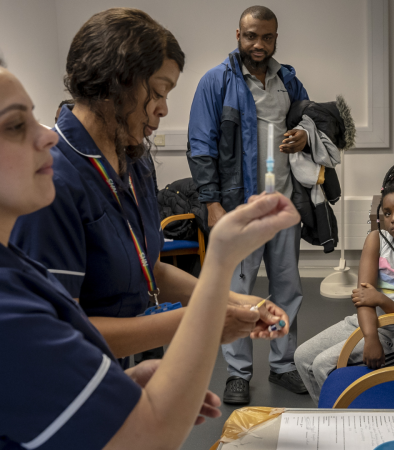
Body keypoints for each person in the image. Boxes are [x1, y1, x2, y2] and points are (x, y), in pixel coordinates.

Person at [0, 64, 300, 449]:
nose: (47, 136)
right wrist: (219, 271)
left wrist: (116, 386)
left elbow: (142, 273)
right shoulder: (11, 302)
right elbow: (151, 434)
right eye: (14, 125)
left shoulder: (18, 268)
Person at [11, 8, 289, 369]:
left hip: (125, 368)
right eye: (158, 92)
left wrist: (235, 300)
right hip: (72, 380)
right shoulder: (52, 179)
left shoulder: (135, 160)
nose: (164, 110)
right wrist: (198, 321)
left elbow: (151, 270)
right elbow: (62, 331)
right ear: (116, 83)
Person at [188, 5, 309, 403]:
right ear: (237, 35)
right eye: (251, 36)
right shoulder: (216, 82)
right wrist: (212, 204)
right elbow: (201, 147)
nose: (259, 44)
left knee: (287, 289)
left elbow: (311, 121)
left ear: (276, 38)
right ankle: (238, 373)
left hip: (284, 205)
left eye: (267, 37)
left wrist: (304, 137)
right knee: (236, 291)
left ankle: (283, 364)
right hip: (240, 207)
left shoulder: (287, 80)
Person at [295, 165, 394, 404]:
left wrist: (381, 300)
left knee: (322, 366)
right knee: (302, 357)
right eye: (387, 213)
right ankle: (329, 416)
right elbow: (363, 297)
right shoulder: (376, 240)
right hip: (370, 323)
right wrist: (370, 337)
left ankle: (339, 424)